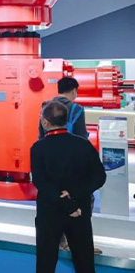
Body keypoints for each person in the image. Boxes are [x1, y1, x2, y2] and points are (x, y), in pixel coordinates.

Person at [32, 101, 106, 273]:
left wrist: (66, 204)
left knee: (45, 263)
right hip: (79, 211)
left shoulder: (38, 148)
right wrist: (74, 195)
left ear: (45, 122)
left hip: (50, 213)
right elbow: (99, 177)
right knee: (84, 262)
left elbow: (40, 182)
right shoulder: (84, 145)